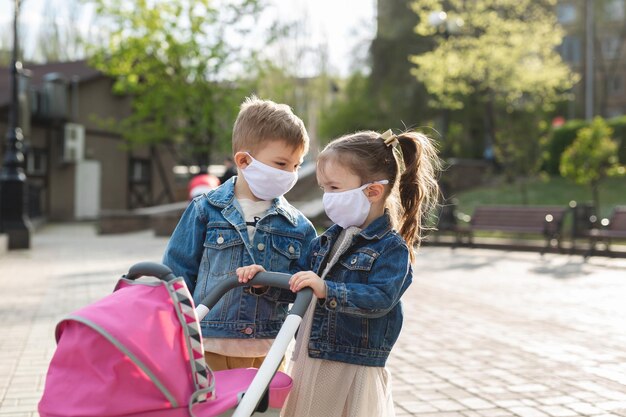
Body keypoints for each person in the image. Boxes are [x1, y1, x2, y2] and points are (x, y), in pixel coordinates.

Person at [237, 129, 441, 417]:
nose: (327, 197)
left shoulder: (390, 248)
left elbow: (381, 297)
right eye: (324, 189)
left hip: (348, 364)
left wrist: (328, 290)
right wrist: (264, 282)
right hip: (311, 357)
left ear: (372, 191)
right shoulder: (327, 240)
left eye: (334, 188)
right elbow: (301, 282)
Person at [163, 96, 317, 372]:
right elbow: (177, 272)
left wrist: (267, 284)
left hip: (269, 349)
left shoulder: (299, 227)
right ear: (245, 160)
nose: (290, 174)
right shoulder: (205, 210)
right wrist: (173, 331)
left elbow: (304, 290)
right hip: (207, 345)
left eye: (296, 165)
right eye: (282, 164)